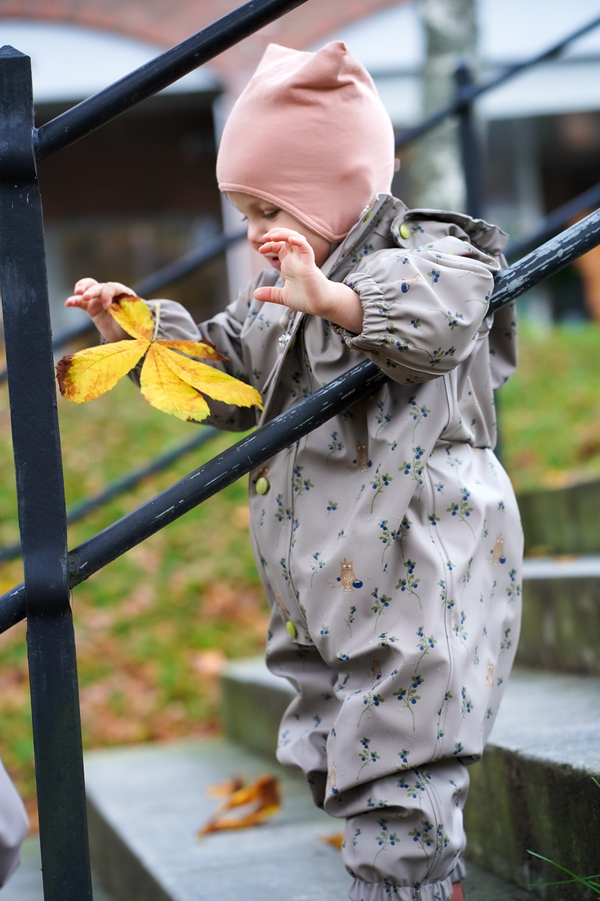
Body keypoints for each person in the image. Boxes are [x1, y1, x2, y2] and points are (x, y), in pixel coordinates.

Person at [65, 41, 522, 901]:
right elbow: (228, 382)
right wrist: (138, 330)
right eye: (242, 209)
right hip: (321, 583)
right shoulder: (275, 302)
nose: (253, 231)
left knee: (402, 749)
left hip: (421, 564)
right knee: (327, 742)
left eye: (268, 204)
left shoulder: (432, 257)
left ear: (340, 191)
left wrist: (337, 302)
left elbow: (434, 327)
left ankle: (412, 884)